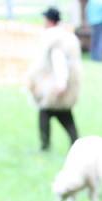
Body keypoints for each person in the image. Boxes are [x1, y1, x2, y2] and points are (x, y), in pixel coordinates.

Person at [27, 7, 82, 151]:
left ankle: (46, 145)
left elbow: (59, 60)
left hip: (55, 84)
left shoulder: (54, 38)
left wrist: (61, 83)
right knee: (61, 114)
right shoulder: (67, 36)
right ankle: (74, 143)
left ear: (49, 21)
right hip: (63, 83)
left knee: (48, 113)